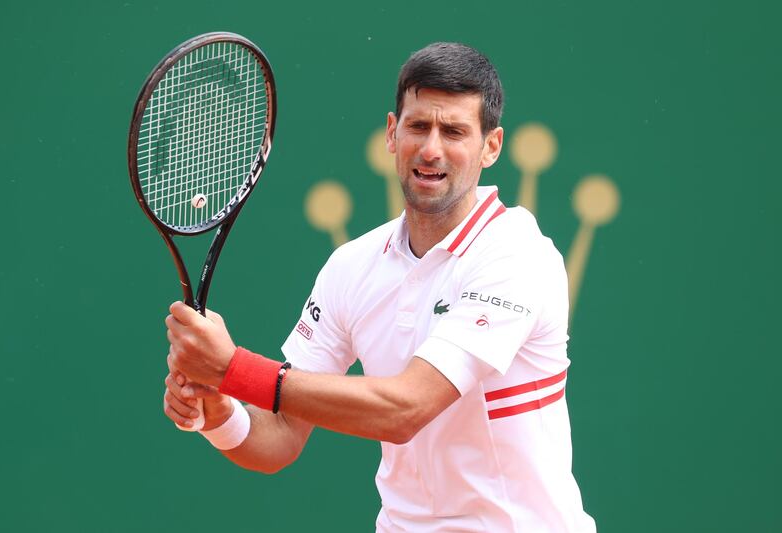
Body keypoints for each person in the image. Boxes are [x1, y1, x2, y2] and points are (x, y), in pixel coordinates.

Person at [163, 42, 596, 532]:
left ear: (490, 147)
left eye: (454, 131)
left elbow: (406, 409)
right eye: (418, 126)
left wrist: (232, 369)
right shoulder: (351, 267)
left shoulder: (517, 254)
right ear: (393, 133)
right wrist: (219, 407)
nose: (431, 148)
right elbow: (277, 439)